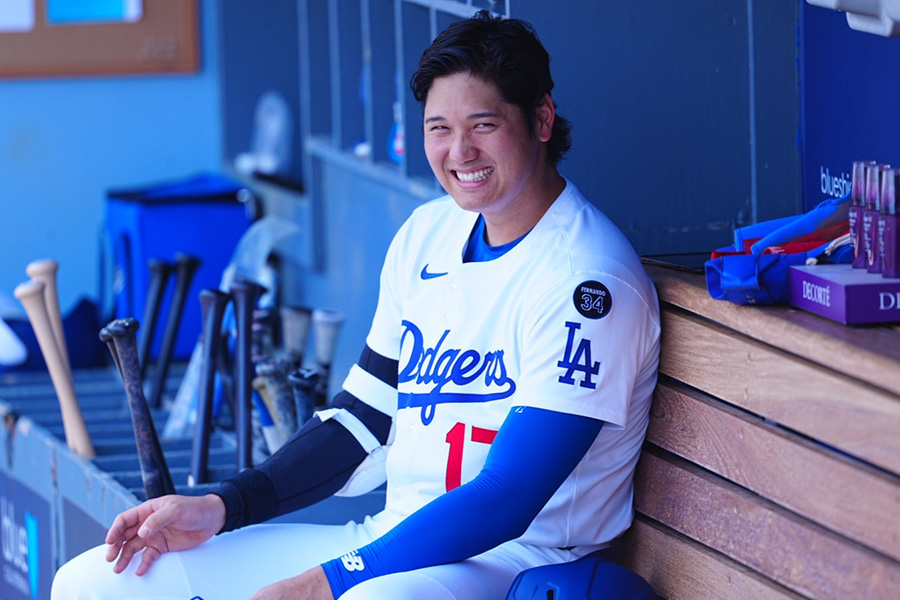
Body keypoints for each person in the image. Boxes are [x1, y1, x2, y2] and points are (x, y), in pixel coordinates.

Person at [51, 10, 660, 600]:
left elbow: (508, 497)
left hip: (518, 560)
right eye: (438, 129)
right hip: (392, 539)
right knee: (95, 583)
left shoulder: (587, 282)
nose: (460, 151)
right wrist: (223, 505)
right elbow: (362, 418)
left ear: (542, 119)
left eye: (484, 125)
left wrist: (328, 582)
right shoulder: (427, 233)